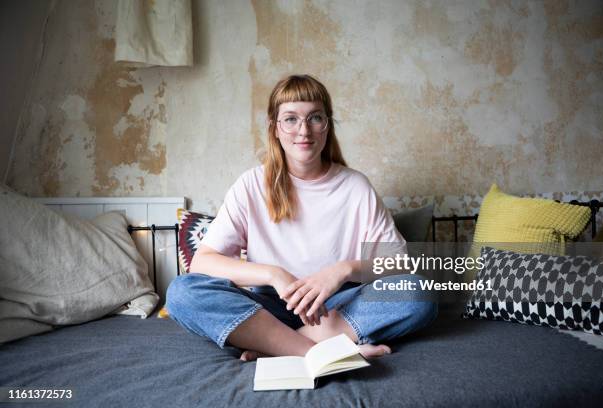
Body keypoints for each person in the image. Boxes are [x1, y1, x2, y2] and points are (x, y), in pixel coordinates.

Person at [166, 74, 437, 361]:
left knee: (417, 292)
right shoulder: (251, 185)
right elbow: (202, 262)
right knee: (182, 292)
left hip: (336, 310)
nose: (303, 130)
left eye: (315, 118)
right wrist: (274, 275)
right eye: (291, 119)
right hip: (268, 311)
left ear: (327, 126)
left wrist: (342, 271)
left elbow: (400, 263)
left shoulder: (356, 186)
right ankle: (317, 352)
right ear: (275, 129)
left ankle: (275, 347)